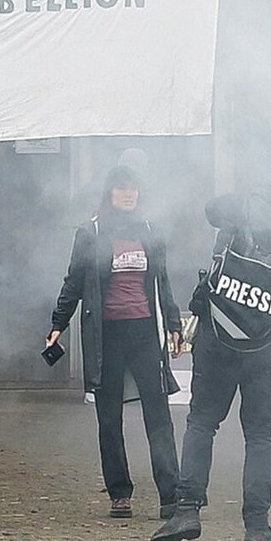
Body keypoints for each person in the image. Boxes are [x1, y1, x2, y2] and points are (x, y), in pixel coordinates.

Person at [152, 174, 271, 541]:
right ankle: (257, 527)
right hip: (269, 345)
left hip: (218, 334)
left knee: (201, 422)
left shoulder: (244, 206)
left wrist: (247, 197)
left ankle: (186, 509)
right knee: (261, 435)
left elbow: (211, 210)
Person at [46, 162, 186, 519]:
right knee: (109, 418)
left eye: (133, 188)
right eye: (121, 188)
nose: (128, 194)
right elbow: (74, 281)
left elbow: (163, 282)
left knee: (158, 415)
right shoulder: (91, 233)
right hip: (106, 335)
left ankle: (170, 493)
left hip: (144, 332)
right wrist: (58, 324)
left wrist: (173, 323)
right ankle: (119, 493)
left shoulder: (151, 231)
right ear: (109, 193)